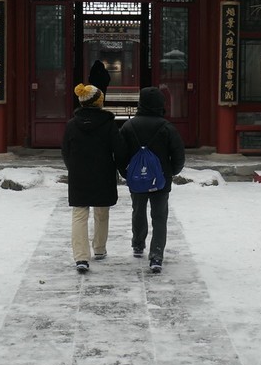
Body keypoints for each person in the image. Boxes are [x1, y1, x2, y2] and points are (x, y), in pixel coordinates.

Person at [61, 83, 127, 273]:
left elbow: (65, 151)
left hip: (79, 175)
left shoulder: (71, 125)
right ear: (99, 103)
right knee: (101, 211)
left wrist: (72, 168)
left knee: (79, 214)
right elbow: (120, 150)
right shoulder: (108, 124)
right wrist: (123, 170)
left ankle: (81, 257)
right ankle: (99, 248)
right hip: (103, 174)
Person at [120, 87, 185, 273]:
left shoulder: (128, 126)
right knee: (159, 215)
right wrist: (170, 172)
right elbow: (178, 155)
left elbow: (121, 154)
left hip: (137, 179)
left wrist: (127, 174)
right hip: (161, 180)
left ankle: (138, 244)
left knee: (138, 210)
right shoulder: (167, 127)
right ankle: (156, 255)